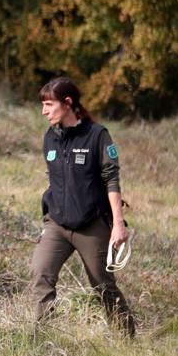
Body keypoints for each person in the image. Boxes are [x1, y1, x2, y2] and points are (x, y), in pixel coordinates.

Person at [29, 77, 135, 337]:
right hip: (57, 223)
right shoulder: (50, 138)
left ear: (68, 103)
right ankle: (44, 338)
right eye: (43, 105)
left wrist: (118, 225)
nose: (44, 111)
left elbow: (112, 178)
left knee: (102, 285)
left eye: (49, 104)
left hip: (91, 225)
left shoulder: (97, 136)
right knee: (40, 272)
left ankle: (127, 339)